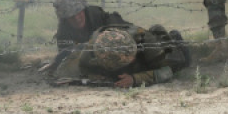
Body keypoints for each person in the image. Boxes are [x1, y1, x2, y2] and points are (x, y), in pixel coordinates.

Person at [51, 21, 191, 88]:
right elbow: (79, 69)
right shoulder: (89, 56)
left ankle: (170, 37)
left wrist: (136, 79)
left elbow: (167, 72)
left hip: (143, 44)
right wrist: (93, 76)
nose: (133, 58)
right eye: (129, 59)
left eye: (132, 56)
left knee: (180, 62)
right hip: (107, 45)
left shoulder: (146, 43)